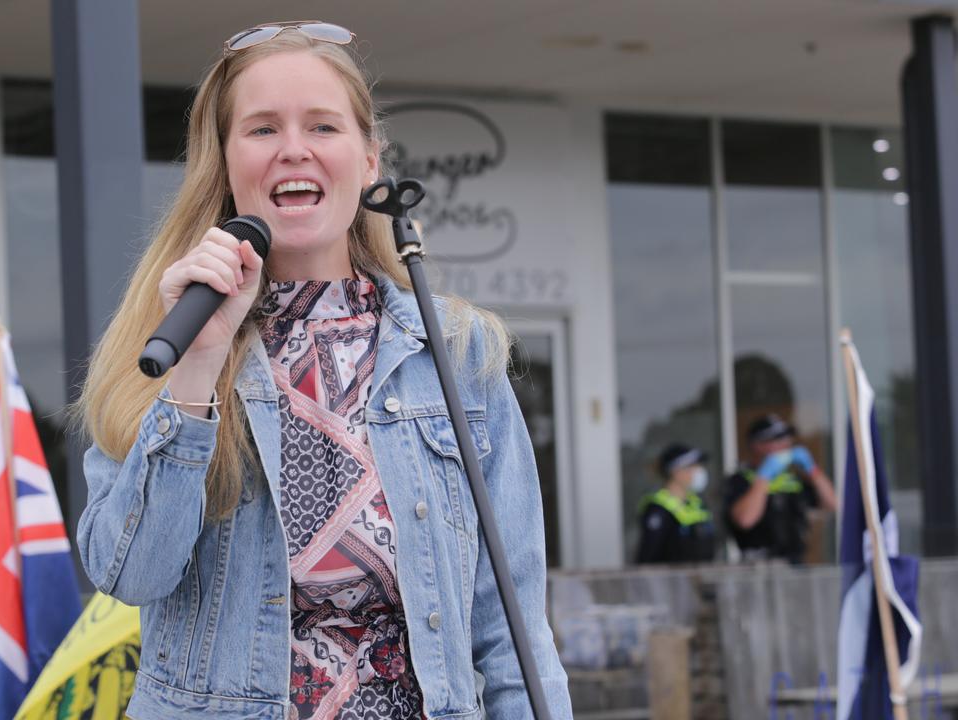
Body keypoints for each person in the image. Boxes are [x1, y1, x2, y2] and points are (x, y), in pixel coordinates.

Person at [72, 21, 572, 720]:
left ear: (370, 161)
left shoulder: (457, 354)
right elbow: (130, 574)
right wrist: (195, 375)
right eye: (263, 128)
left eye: (323, 126)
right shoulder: (169, 339)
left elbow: (513, 630)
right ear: (224, 161)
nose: (294, 150)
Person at [725, 414, 838, 564]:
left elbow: (833, 504)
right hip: (757, 567)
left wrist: (813, 470)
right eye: (777, 439)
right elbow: (745, 520)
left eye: (787, 438)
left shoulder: (792, 480)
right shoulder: (740, 480)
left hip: (796, 564)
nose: (786, 444)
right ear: (757, 445)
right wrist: (763, 476)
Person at [634, 443, 716, 565]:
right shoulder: (657, 508)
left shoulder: (697, 504)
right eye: (693, 466)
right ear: (676, 471)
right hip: (670, 582)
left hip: (701, 580)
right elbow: (647, 558)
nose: (699, 471)